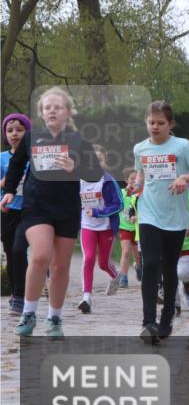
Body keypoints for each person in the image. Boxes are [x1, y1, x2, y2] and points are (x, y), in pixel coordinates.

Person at [3, 87, 103, 338]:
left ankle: (54, 318)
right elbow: (16, 165)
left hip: (66, 208)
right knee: (40, 255)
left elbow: (94, 173)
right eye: (47, 107)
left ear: (68, 112)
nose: (52, 111)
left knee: (60, 267)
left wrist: (75, 166)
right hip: (36, 206)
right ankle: (28, 312)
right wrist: (10, 191)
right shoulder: (31, 138)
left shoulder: (79, 141)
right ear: (41, 113)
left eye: (57, 107)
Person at [131, 100, 189, 343]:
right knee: (151, 263)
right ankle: (148, 322)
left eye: (160, 123)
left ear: (170, 124)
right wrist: (136, 184)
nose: (155, 127)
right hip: (149, 213)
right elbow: (141, 175)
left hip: (175, 217)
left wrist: (184, 177)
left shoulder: (182, 146)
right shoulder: (140, 149)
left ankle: (167, 317)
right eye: (151, 122)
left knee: (169, 267)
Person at [77, 143, 124, 312]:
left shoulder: (108, 181)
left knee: (103, 263)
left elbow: (119, 205)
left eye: (99, 160)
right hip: (87, 226)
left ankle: (116, 275)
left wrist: (98, 212)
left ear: (105, 162)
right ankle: (86, 298)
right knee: (88, 258)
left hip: (106, 227)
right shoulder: (79, 180)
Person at [1, 113, 30, 316]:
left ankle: (23, 294)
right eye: (10, 130)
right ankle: (16, 292)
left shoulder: (33, 156)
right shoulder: (2, 158)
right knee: (12, 253)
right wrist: (5, 183)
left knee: (21, 251)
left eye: (20, 130)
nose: (14, 134)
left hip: (30, 210)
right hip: (8, 211)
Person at [117, 169, 140, 288]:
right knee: (126, 252)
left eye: (136, 179)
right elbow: (115, 204)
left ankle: (138, 266)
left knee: (138, 255)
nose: (134, 181)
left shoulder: (140, 193)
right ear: (126, 180)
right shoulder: (121, 193)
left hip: (137, 228)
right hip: (124, 227)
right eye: (132, 179)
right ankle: (124, 277)